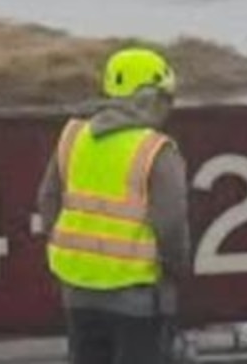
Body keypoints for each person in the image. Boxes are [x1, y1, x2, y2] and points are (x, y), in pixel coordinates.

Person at [35, 45, 193, 364]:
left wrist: (72, 254)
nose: (168, 108)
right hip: (137, 296)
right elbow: (171, 224)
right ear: (147, 96)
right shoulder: (155, 150)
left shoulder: (73, 136)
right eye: (165, 98)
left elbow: (47, 201)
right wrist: (178, 270)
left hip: (77, 290)